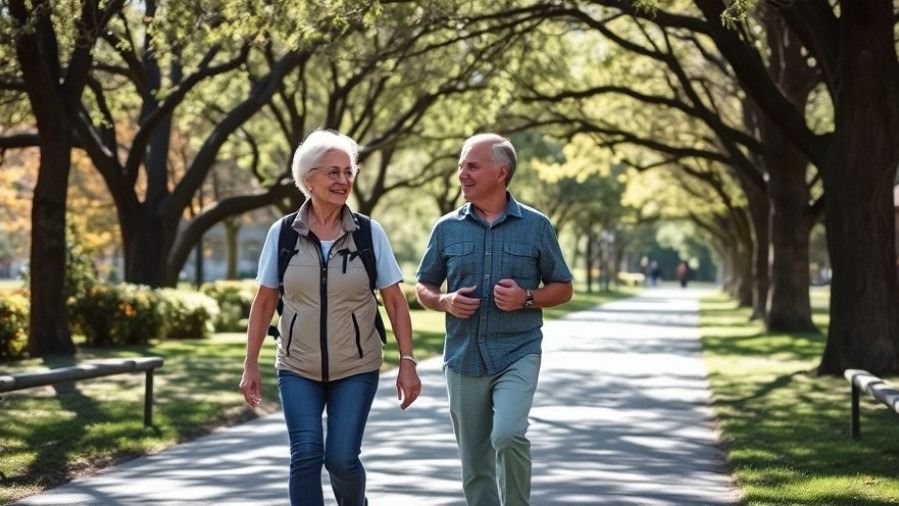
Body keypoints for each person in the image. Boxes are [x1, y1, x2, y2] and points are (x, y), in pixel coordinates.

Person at [239, 129, 421, 506]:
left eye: (349, 172)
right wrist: (250, 363)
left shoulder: (369, 233)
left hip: (356, 366)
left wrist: (407, 361)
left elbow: (395, 300)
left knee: (341, 459)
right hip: (296, 366)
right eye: (333, 173)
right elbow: (265, 299)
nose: (344, 181)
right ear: (309, 179)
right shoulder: (284, 234)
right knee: (305, 457)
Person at [415, 133, 573, 506]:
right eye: (460, 166)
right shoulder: (446, 228)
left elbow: (563, 287)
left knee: (508, 435)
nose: (462, 175)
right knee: (474, 463)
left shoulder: (536, 226)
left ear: (500, 172)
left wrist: (526, 298)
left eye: (472, 166)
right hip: (464, 356)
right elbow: (423, 286)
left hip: (517, 351)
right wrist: (445, 301)